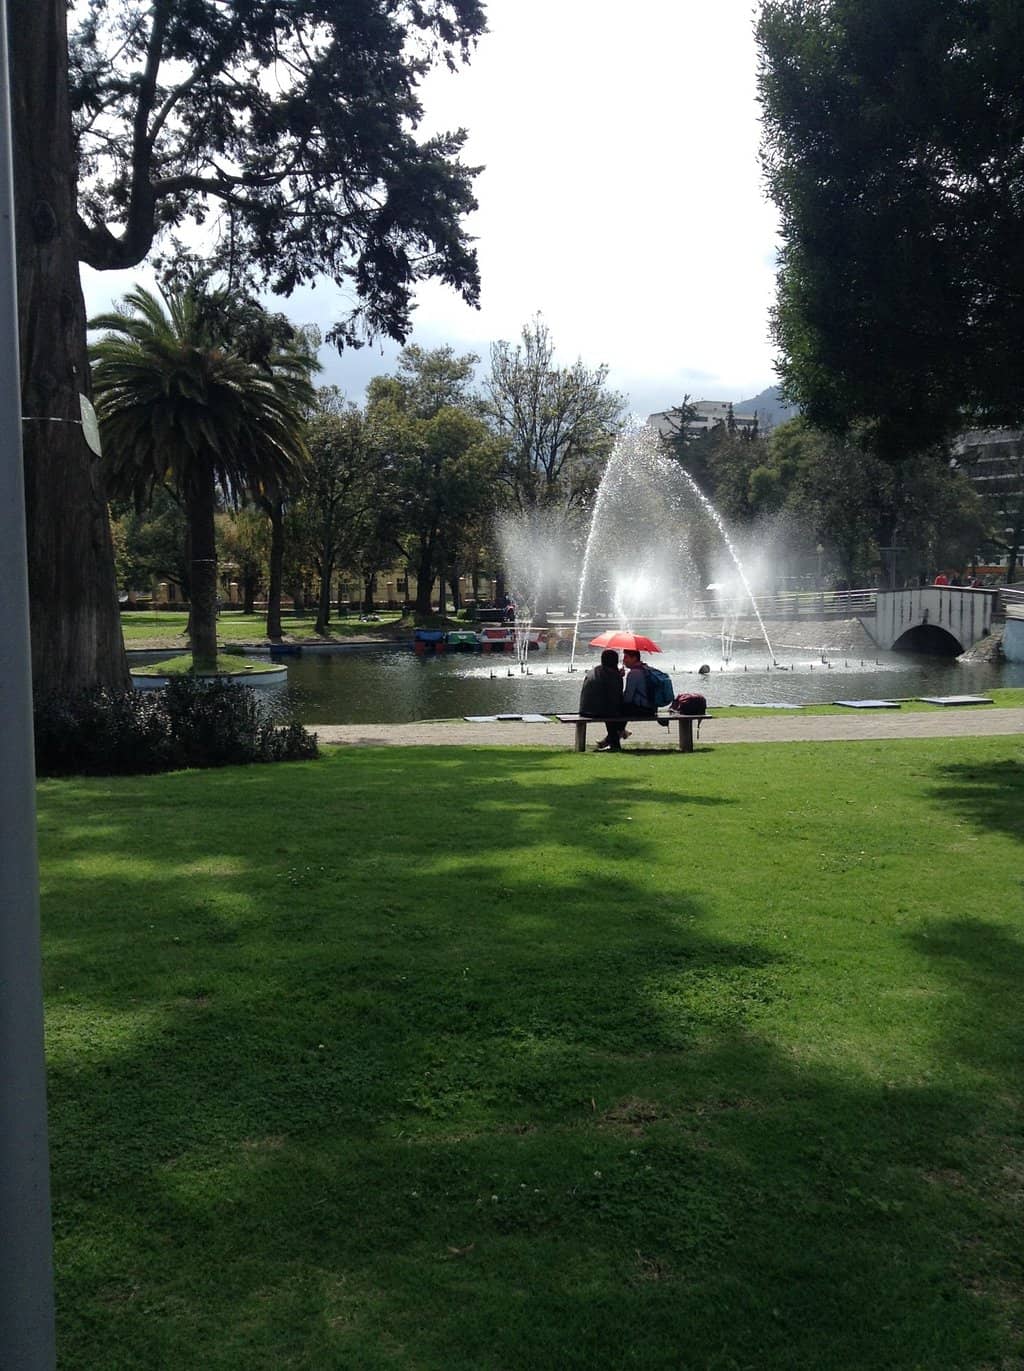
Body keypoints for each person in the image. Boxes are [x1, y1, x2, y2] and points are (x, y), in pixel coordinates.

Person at [579, 648, 625, 751]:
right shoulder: (613, 675)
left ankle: (613, 739)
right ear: (615, 662)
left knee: (610, 710)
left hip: (585, 710)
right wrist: (619, 677)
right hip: (599, 711)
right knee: (622, 711)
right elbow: (617, 697)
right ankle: (615, 740)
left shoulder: (593, 671)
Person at [621, 649, 671, 727]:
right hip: (652, 708)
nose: (623, 660)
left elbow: (627, 698)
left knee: (615, 709)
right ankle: (619, 732)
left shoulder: (633, 673)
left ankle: (615, 734)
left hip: (642, 710)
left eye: (626, 657)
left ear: (634, 658)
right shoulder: (646, 668)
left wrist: (618, 678)